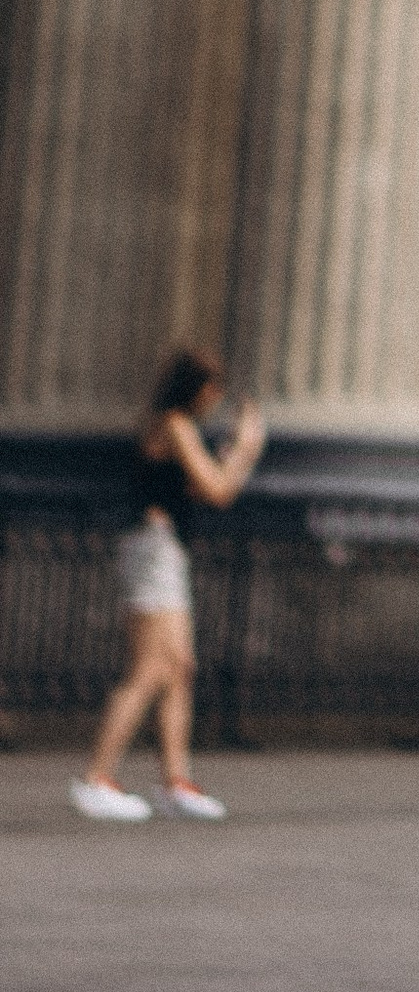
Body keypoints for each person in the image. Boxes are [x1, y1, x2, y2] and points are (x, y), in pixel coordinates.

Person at [72, 346, 265, 823]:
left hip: (163, 548)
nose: (216, 399)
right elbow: (219, 490)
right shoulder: (176, 425)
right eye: (213, 389)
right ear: (198, 388)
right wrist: (246, 449)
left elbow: (202, 487)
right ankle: (97, 777)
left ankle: (176, 781)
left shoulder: (174, 427)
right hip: (153, 548)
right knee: (151, 670)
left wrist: (232, 457)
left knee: (179, 667)